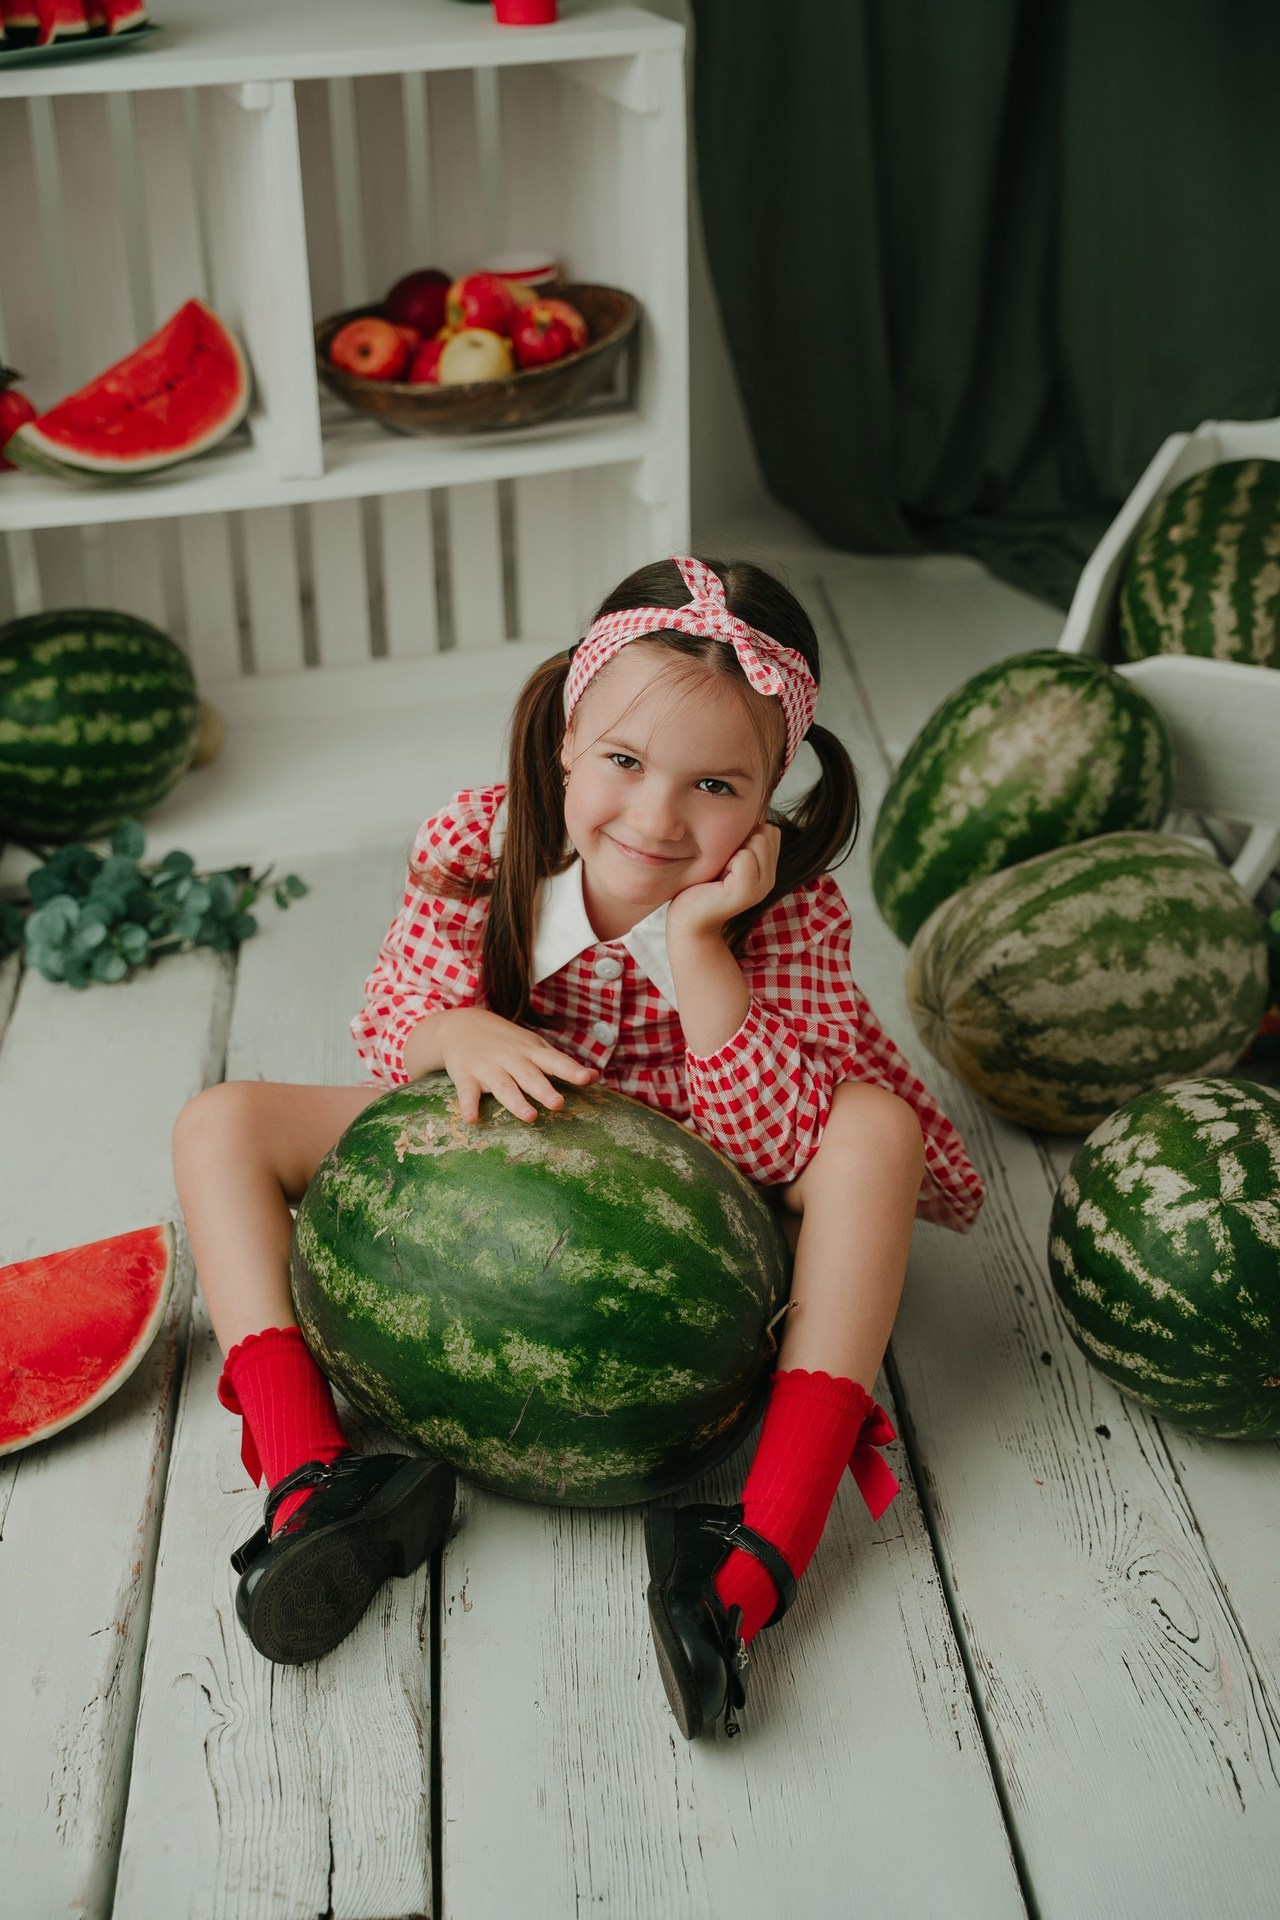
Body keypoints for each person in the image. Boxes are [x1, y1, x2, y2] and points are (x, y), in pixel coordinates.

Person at [172, 554, 985, 1727]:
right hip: (512, 1138)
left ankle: (754, 1545)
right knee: (220, 1121)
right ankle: (311, 1478)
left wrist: (702, 951)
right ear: (564, 737)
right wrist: (456, 1028)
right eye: (623, 762)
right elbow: (391, 1017)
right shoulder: (481, 839)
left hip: (704, 1182)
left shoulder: (790, 904)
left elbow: (771, 1144)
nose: (656, 818)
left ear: (770, 794)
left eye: (715, 786)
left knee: (869, 1133)